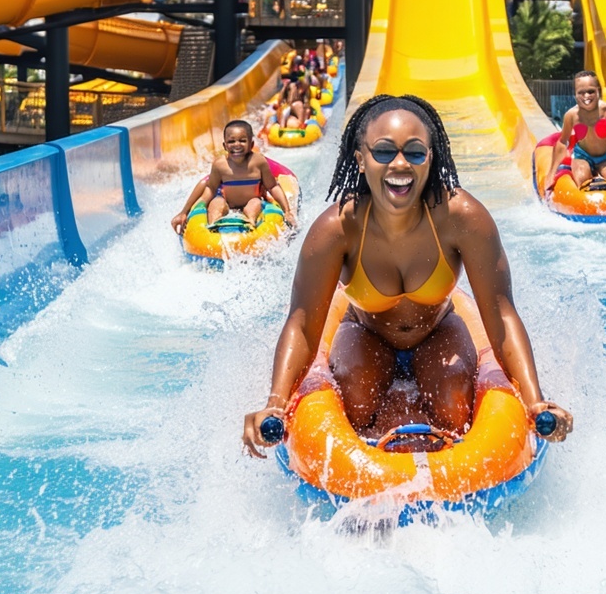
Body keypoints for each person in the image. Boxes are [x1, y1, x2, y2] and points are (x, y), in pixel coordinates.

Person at [242, 95, 573, 458]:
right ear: (361, 158)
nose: (399, 164)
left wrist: (534, 400)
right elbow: (303, 324)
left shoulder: (461, 218)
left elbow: (501, 314)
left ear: (431, 158)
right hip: (367, 331)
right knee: (356, 396)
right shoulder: (338, 228)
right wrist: (276, 403)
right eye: (383, 152)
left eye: (415, 153)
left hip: (438, 329)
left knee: (453, 404)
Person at [170, 120, 293, 232]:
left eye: (242, 140)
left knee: (255, 202)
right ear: (224, 146)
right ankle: (213, 226)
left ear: (251, 144)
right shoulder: (220, 164)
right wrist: (189, 210)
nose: (237, 144)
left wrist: (287, 211)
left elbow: (272, 187)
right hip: (228, 203)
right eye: (231, 141)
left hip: (251, 201)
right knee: (217, 203)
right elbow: (210, 189)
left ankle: (250, 223)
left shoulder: (258, 162)